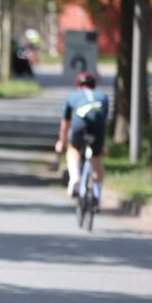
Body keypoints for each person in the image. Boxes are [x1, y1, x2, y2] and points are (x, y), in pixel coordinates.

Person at [55, 71, 109, 206]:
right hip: (98, 128)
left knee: (73, 149)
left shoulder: (72, 96)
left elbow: (65, 124)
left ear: (77, 85)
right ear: (94, 85)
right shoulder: (103, 96)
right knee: (96, 157)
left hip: (80, 125)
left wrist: (62, 142)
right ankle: (97, 193)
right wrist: (103, 144)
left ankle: (75, 177)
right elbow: (103, 121)